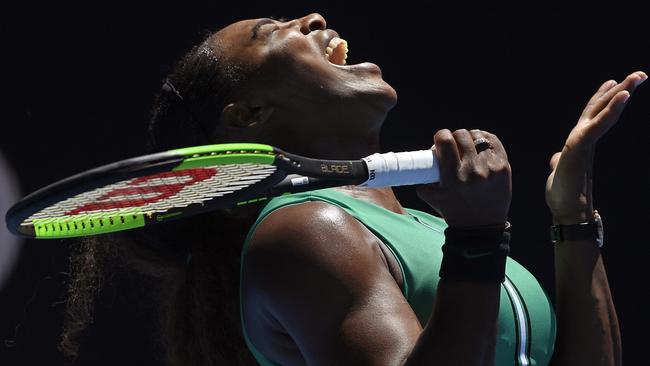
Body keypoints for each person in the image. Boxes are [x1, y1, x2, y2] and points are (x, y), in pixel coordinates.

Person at [61, 13, 645, 366]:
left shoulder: (424, 227)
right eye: (275, 32)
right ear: (252, 113)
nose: (312, 17)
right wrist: (477, 236)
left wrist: (573, 217)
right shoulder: (305, 229)